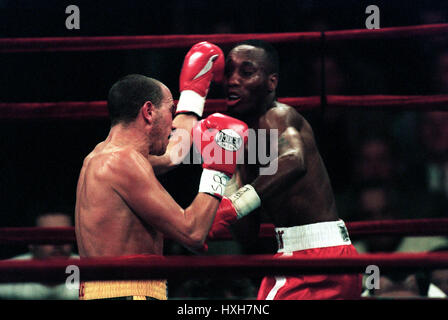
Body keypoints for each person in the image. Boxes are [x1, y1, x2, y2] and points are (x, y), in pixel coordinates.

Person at [75, 54, 248, 300]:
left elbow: (172, 155)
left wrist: (194, 95)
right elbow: (193, 233)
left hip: (112, 292)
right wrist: (218, 167)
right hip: (128, 293)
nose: (173, 124)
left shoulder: (106, 156)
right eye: (171, 111)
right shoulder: (123, 161)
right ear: (148, 111)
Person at [203, 40, 362, 300]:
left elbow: (294, 160)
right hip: (323, 255)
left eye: (246, 72)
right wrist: (223, 174)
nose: (232, 80)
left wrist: (234, 206)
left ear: (271, 82)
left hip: (312, 261)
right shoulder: (243, 138)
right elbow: (247, 234)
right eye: (228, 72)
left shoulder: (278, 115)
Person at [0, 212, 79, 300]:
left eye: (65, 235)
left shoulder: (89, 274)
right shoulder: (7, 273)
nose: (58, 243)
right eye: (48, 237)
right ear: (32, 243)